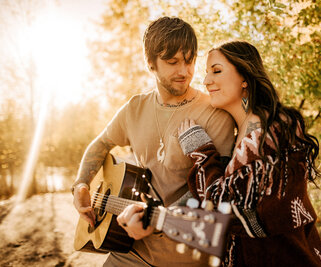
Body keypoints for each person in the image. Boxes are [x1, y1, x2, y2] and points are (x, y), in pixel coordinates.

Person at [71, 17, 235, 267]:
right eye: (173, 62)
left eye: (189, 60)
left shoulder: (214, 113)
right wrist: (82, 184)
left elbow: (216, 186)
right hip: (129, 249)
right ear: (150, 64)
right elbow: (101, 143)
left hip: (185, 257)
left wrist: (156, 218)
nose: (185, 71)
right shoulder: (134, 108)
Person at [178, 41, 321, 266]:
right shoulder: (244, 133)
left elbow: (230, 210)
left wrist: (201, 152)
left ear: (245, 77)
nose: (207, 81)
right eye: (207, 73)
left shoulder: (272, 131)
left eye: (216, 71)